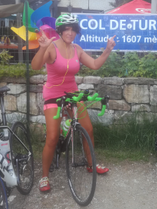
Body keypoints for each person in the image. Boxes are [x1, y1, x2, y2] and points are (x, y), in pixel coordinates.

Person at [31, 13, 116, 192]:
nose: (70, 32)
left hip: (72, 93)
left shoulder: (77, 49)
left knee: (89, 129)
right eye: (66, 29)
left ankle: (91, 164)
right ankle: (44, 176)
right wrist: (42, 48)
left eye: (73, 29)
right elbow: (36, 66)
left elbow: (94, 64)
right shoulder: (51, 46)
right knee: (52, 137)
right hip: (53, 94)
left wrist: (107, 50)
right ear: (60, 31)